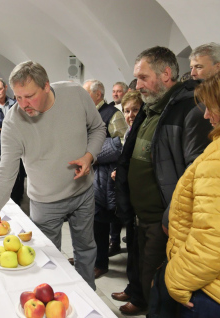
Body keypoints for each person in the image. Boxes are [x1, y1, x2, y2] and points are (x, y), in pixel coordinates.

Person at [0, 61, 106, 290]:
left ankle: (88, 297)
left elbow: (98, 128)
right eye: (18, 97)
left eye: (29, 96)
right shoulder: (13, 122)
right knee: (47, 260)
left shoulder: (75, 94)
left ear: (46, 86)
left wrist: (89, 156)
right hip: (45, 201)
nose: (23, 104)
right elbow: (5, 174)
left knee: (86, 250)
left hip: (83, 192)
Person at [115, 46, 212, 315]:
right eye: (136, 78)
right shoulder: (151, 108)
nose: (138, 85)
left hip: (164, 218)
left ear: (166, 74)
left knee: (155, 284)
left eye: (144, 77)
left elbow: (194, 171)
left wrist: (171, 216)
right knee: (141, 272)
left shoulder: (189, 109)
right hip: (140, 214)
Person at [165, 72, 220, 318]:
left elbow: (212, 238)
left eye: (210, 108)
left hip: (208, 290)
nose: (206, 115)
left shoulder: (216, 160)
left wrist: (177, 280)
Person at [82, 79, 128, 279]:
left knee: (99, 222)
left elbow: (122, 144)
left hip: (102, 177)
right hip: (87, 175)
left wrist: (91, 154)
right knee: (86, 221)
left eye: (86, 94)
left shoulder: (113, 114)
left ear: (98, 95)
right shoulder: (87, 112)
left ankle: (101, 263)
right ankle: (88, 257)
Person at [110, 91, 146, 314]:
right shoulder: (130, 130)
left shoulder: (142, 131)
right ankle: (132, 288)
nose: (130, 115)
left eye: (134, 110)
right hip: (130, 197)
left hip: (141, 199)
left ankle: (140, 297)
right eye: (126, 111)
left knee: (141, 253)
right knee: (132, 248)